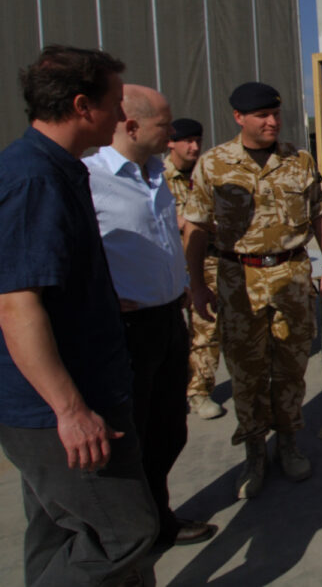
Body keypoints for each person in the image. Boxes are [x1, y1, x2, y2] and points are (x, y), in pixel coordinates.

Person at [0, 45, 157, 585]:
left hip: (64, 392)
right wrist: (71, 410)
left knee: (62, 531)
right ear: (82, 106)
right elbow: (15, 305)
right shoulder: (33, 179)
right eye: (116, 102)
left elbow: (46, 280)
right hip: (53, 408)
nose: (126, 117)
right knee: (124, 533)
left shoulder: (58, 168)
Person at [184, 81, 322, 500]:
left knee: (291, 366)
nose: (272, 122)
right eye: (261, 116)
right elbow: (195, 228)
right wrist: (196, 284)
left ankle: (288, 444)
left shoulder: (298, 160)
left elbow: (320, 213)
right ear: (239, 118)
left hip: (290, 275)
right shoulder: (214, 164)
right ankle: (254, 453)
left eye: (276, 114)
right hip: (238, 279)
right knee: (246, 371)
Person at [84, 87, 218, 548]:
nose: (172, 132)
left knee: (168, 431)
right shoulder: (88, 178)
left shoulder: (157, 173)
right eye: (164, 124)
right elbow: (69, 256)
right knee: (130, 438)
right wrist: (101, 299)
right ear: (132, 125)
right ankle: (132, 534)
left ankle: (155, 515)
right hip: (127, 331)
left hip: (167, 321)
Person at [164, 117, 224, 420]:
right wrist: (188, 223)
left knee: (207, 328)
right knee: (178, 334)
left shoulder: (207, 173)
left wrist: (194, 223)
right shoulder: (157, 178)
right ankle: (184, 389)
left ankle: (199, 391)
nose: (194, 146)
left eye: (198, 140)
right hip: (172, 265)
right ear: (170, 143)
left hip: (209, 261)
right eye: (187, 141)